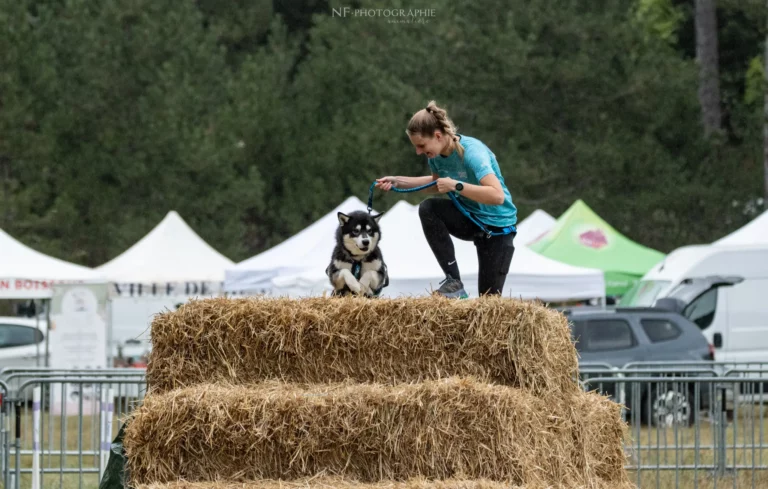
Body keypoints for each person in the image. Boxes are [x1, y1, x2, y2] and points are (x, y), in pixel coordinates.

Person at [376, 100, 518, 298]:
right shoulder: (435, 157)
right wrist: (397, 181)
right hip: (470, 219)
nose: (418, 152)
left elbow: (497, 195)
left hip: (497, 229)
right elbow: (436, 185)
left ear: (437, 135)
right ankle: (454, 282)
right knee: (429, 209)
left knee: (488, 302)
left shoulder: (472, 153)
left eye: (421, 145)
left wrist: (456, 185)